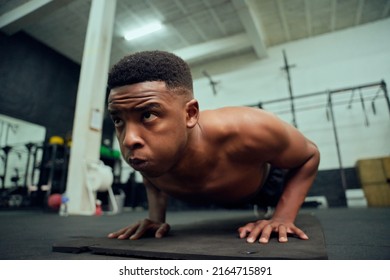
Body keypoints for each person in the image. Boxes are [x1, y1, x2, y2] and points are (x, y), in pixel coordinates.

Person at [106, 50, 320, 244]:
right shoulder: (150, 155)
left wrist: (282, 217)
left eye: (147, 115)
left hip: (268, 185)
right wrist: (155, 218)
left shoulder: (248, 128)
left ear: (190, 114)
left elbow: (310, 155)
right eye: (118, 120)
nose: (128, 140)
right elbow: (152, 178)